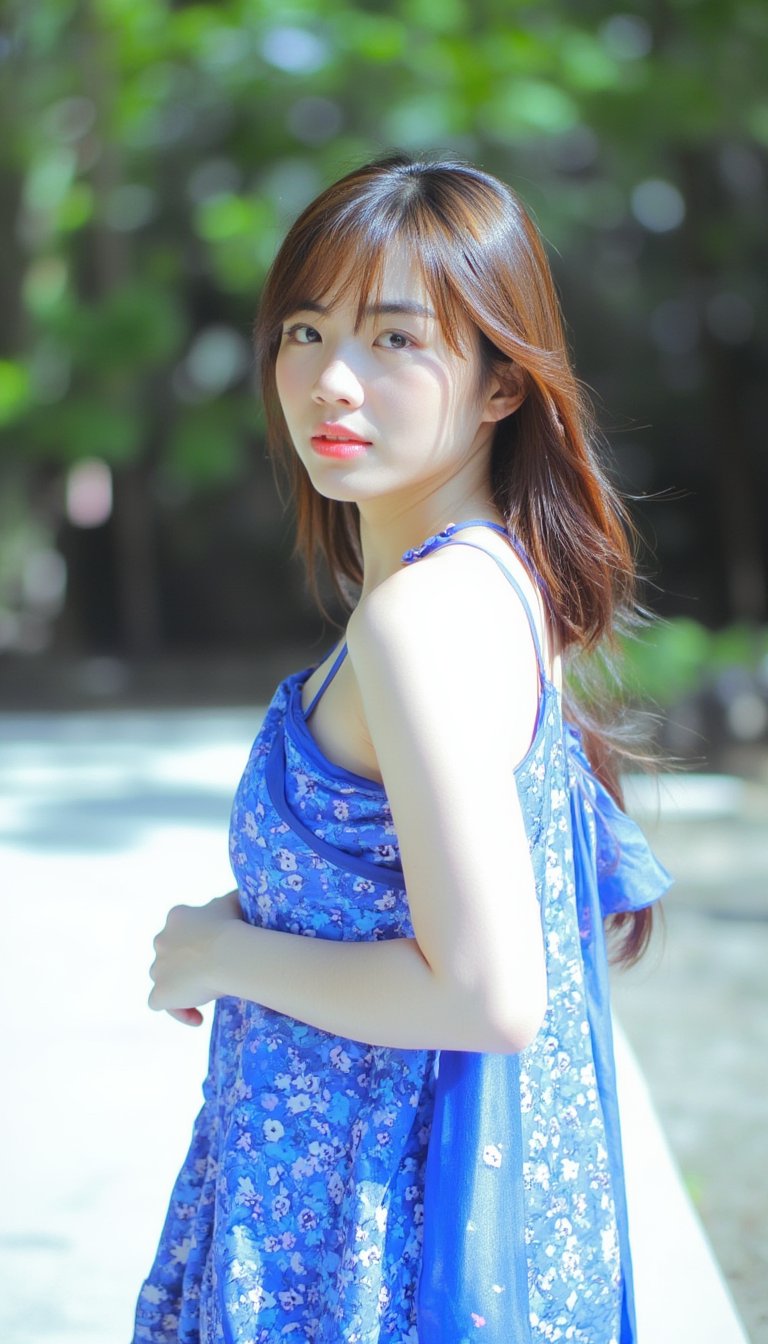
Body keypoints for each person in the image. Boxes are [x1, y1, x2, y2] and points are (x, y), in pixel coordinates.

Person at [132, 153, 671, 1344]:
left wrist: (223, 955)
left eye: (393, 340)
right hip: (362, 1206)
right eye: (307, 330)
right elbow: (401, 881)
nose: (332, 379)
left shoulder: (419, 621)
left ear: (499, 385)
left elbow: (486, 993)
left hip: (366, 1248)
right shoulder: (490, 585)